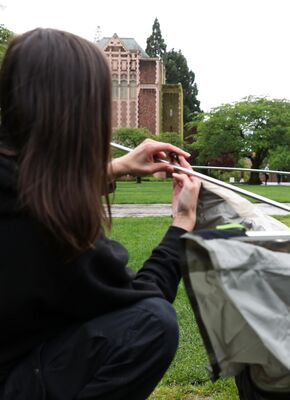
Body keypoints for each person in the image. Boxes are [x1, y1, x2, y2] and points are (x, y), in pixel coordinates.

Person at [0, 28, 202, 399]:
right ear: (78, 114)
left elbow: (28, 185)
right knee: (154, 325)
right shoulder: (48, 229)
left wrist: (118, 166)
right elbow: (141, 304)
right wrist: (182, 225)